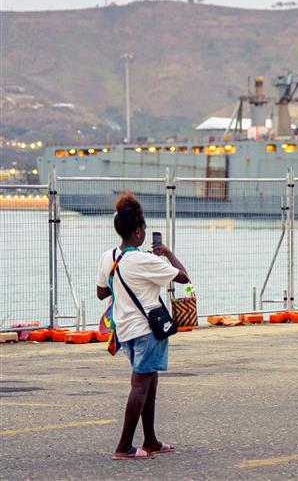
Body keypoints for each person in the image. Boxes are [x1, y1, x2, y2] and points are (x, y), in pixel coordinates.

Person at [96, 192, 190, 460]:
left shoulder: (109, 257)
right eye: (143, 231)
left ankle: (150, 440)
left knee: (149, 381)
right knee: (140, 384)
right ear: (138, 231)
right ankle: (123, 446)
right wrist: (168, 253)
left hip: (125, 330)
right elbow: (184, 277)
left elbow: (102, 293)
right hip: (149, 330)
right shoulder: (145, 260)